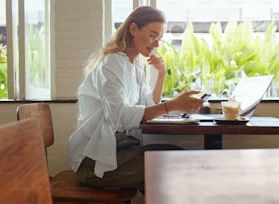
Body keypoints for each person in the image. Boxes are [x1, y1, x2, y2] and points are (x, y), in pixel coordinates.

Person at [69, 6, 203, 191]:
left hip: (120, 151)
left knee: (174, 157)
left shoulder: (135, 65)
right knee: (174, 163)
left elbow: (147, 105)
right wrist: (172, 105)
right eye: (152, 36)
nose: (156, 45)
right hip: (95, 162)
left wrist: (161, 75)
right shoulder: (112, 63)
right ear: (133, 29)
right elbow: (121, 117)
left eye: (159, 39)